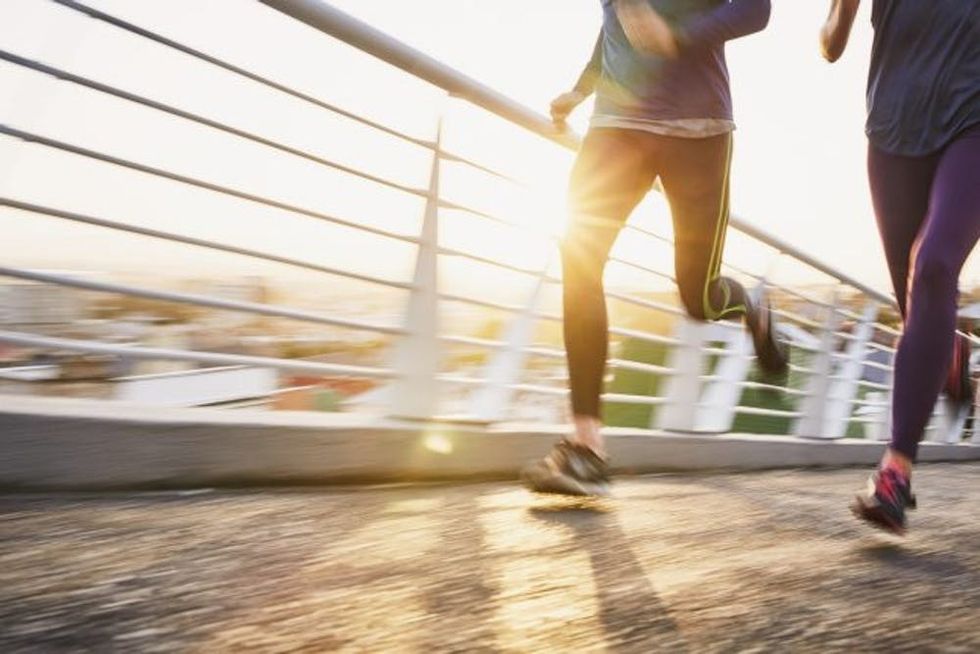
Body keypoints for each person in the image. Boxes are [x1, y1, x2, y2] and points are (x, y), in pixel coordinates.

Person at [521, 0, 784, 497]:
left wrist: (678, 37)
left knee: (698, 297)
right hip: (616, 126)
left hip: (697, 131)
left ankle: (752, 309)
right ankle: (586, 446)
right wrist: (580, 89)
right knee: (578, 256)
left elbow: (757, 9)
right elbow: (615, 25)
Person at [821, 0, 980, 534]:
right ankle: (947, 346)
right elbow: (830, 44)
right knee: (917, 303)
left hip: (973, 123)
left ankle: (895, 474)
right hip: (893, 126)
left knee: (934, 265)